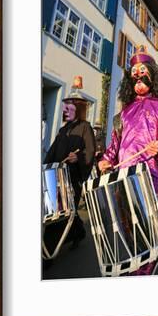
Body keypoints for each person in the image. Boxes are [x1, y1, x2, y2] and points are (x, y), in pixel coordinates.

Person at [98, 45, 158, 275]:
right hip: (122, 174)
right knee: (126, 222)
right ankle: (135, 260)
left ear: (152, 78)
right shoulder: (122, 113)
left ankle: (146, 265)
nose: (139, 82)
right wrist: (105, 160)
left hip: (147, 172)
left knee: (144, 219)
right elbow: (114, 146)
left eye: (143, 77)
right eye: (135, 78)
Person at [44, 91, 96, 254]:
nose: (66, 110)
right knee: (64, 211)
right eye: (65, 107)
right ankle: (78, 232)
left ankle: (49, 252)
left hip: (72, 178)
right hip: (57, 176)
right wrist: (43, 167)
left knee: (60, 213)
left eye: (70, 107)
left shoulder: (85, 127)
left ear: (78, 108)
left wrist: (79, 157)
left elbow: (90, 151)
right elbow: (52, 152)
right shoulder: (62, 129)